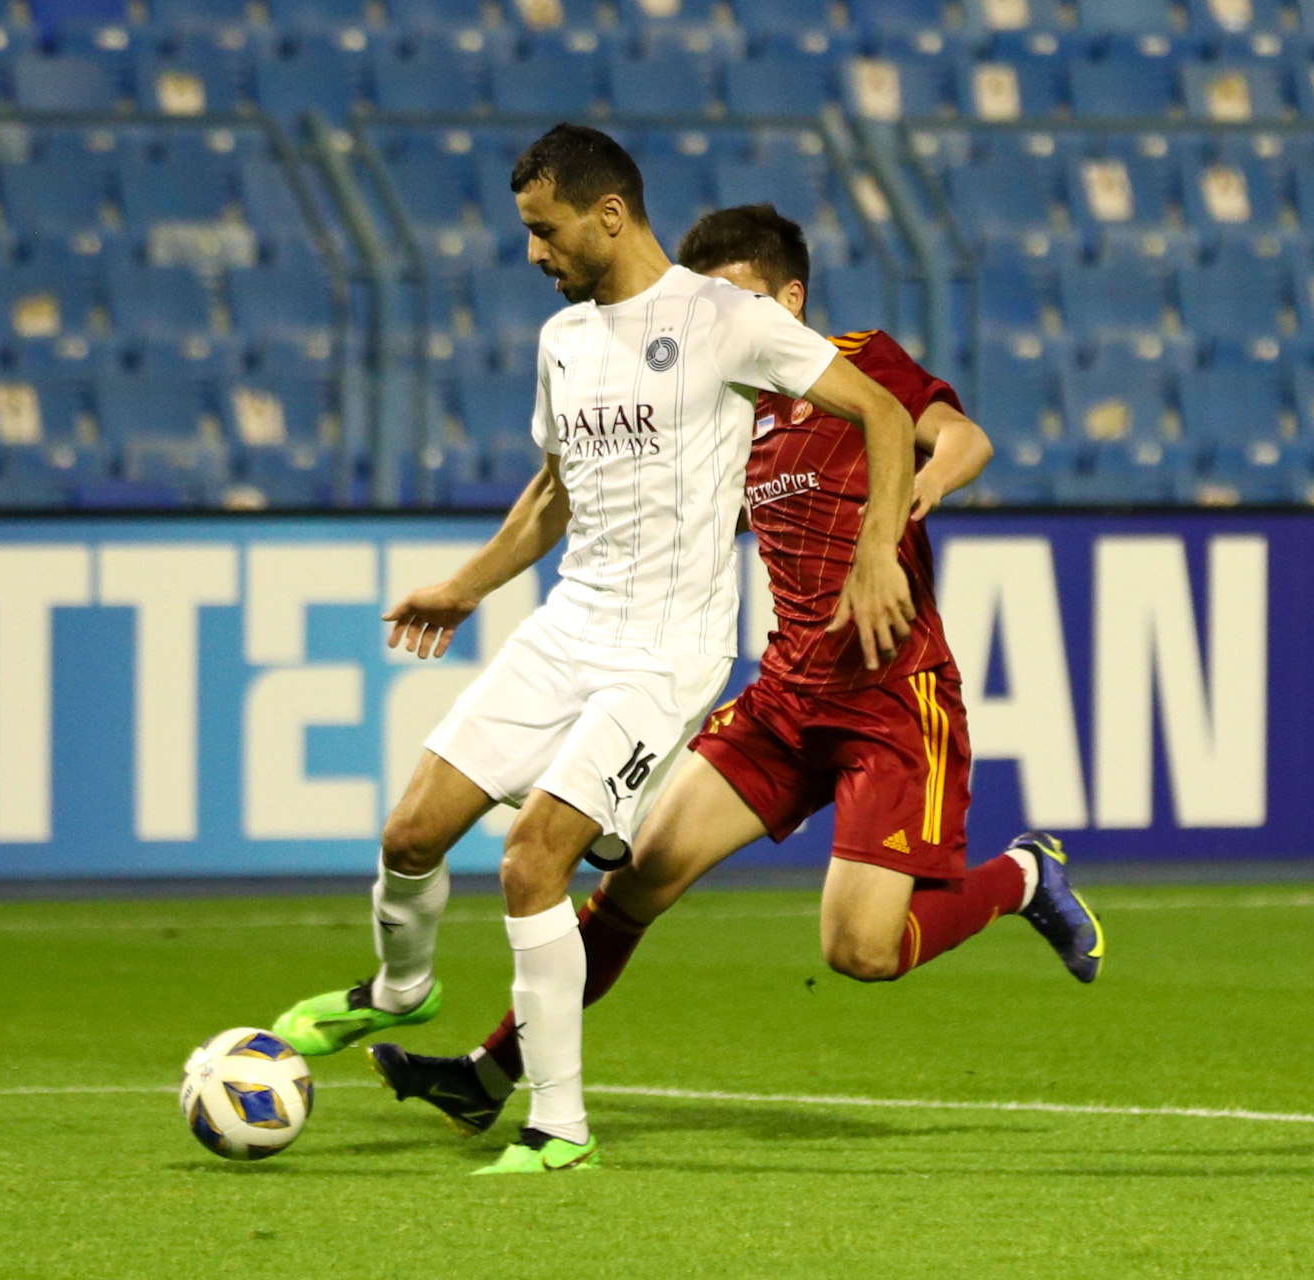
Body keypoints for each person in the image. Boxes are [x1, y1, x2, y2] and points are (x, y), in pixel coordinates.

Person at [365, 204, 1106, 1150]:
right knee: (634, 887)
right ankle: (490, 1075)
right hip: (785, 696)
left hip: (891, 698)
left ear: (789, 300)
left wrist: (909, 506)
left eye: (743, 301)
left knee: (859, 952)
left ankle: (1020, 875)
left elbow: (962, 436)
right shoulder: (728, 402)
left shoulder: (858, 360)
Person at [270, 135, 929, 1176]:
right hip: (570, 624)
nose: (533, 252)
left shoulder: (727, 320)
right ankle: (399, 988)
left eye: (545, 228)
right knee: (409, 833)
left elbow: (886, 414)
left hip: (665, 651)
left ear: (610, 214)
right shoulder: (563, 340)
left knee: (533, 857)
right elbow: (553, 490)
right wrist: (467, 584)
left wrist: (879, 548)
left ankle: (559, 1123)